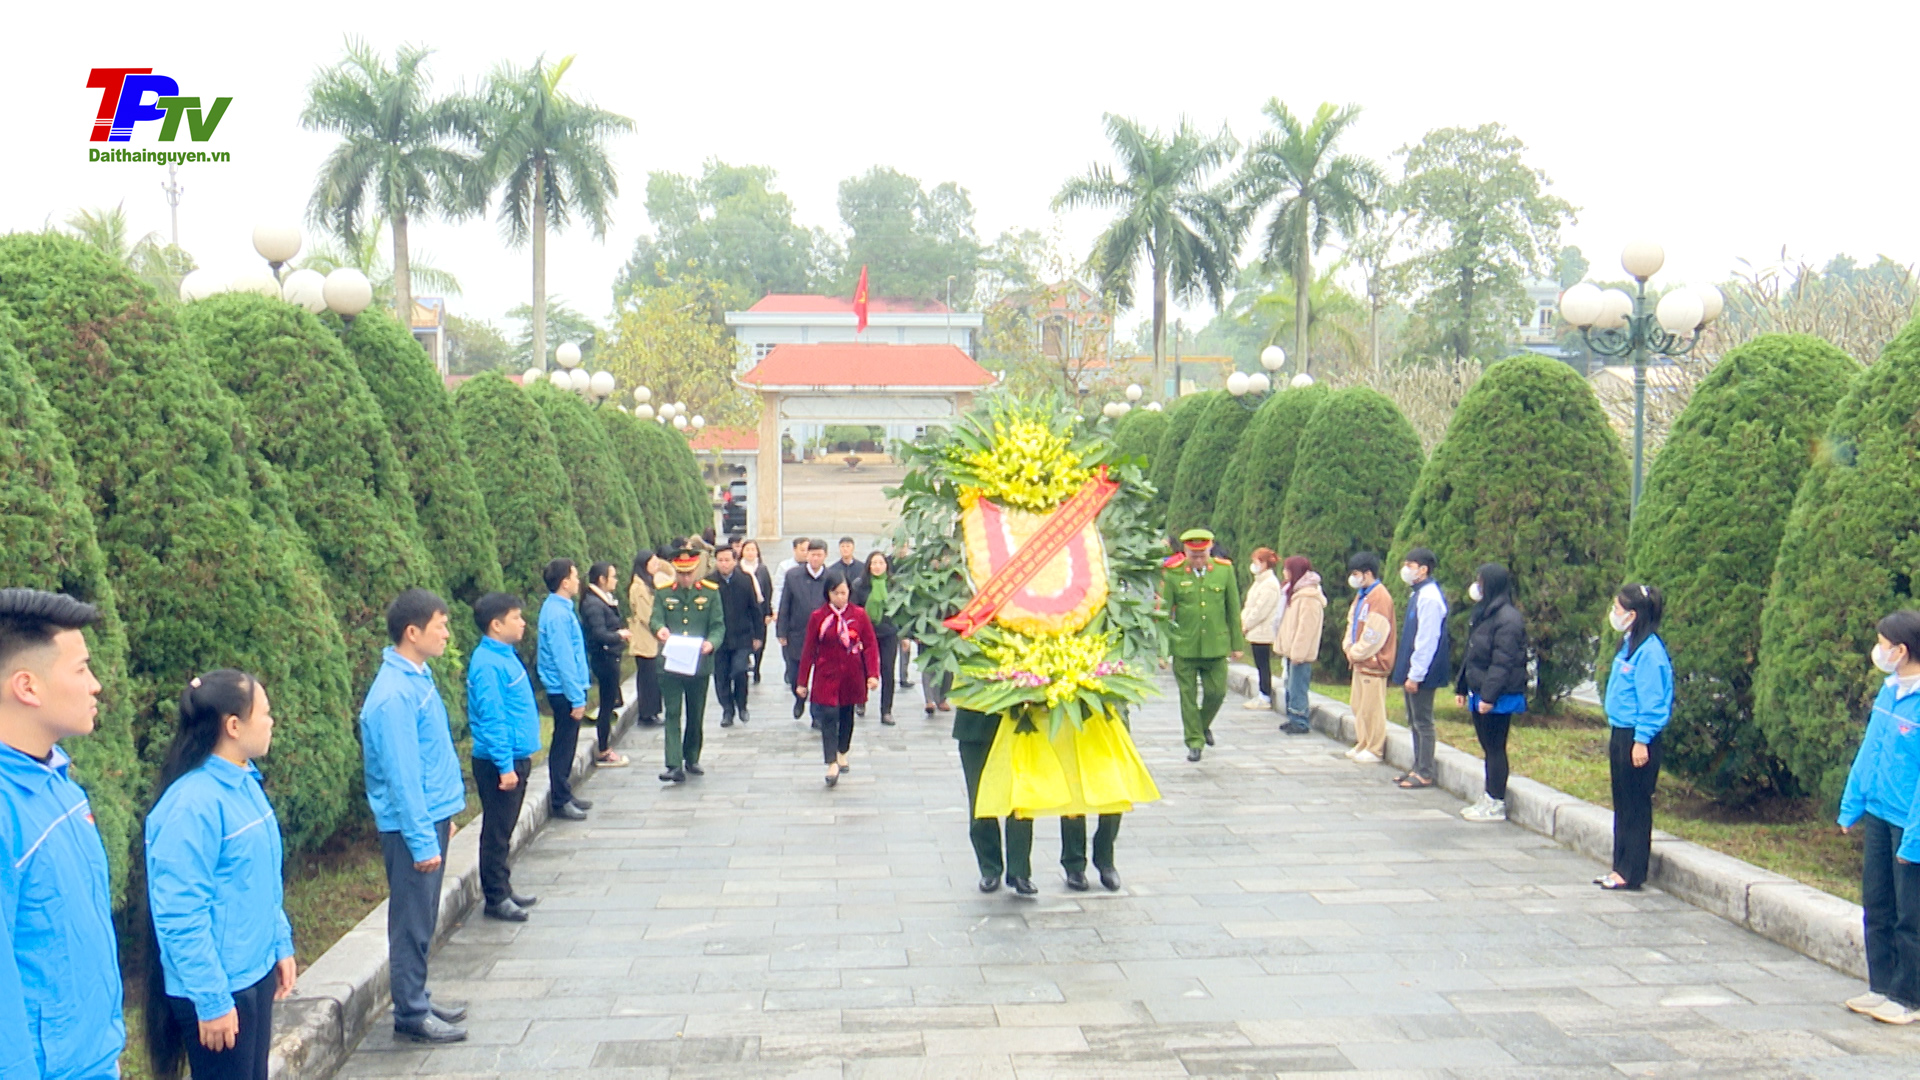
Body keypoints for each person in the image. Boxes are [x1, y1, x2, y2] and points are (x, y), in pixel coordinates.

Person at [143, 670, 297, 1080]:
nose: (271, 721)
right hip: (219, 987)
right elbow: (179, 913)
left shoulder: (245, 783)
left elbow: (263, 879)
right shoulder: (191, 805)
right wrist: (211, 1001)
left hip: (253, 972)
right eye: (264, 712)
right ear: (233, 726)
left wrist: (279, 943)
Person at [0, 589, 125, 1080]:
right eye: (81, 670)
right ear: (27, 686)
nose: (96, 686)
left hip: (94, 1057)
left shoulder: (59, 784)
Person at [359, 589, 468, 1043]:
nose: (446, 634)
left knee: (421, 917)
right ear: (412, 632)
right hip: (410, 829)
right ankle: (410, 1011)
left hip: (428, 818)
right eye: (440, 626)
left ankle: (416, 995)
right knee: (410, 921)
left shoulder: (415, 678)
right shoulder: (394, 695)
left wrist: (443, 815)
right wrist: (423, 839)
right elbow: (403, 777)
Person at [1839, 609, 1920, 1025]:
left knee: (1911, 915)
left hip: (1909, 822)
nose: (1878, 651)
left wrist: (1914, 839)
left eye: (1883, 644)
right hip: (1878, 812)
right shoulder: (1889, 691)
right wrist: (1851, 805)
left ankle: (1908, 997)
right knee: (1877, 904)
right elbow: (1869, 751)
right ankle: (1882, 986)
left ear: (1901, 650)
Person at [465, 593, 543, 923]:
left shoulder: (504, 655)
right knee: (496, 833)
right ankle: (495, 897)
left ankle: (503, 887)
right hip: (499, 762)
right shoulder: (487, 664)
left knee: (504, 830)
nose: (522, 623)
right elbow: (492, 717)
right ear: (496, 625)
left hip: (513, 756)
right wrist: (505, 766)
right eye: (516, 618)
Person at [1599, 583, 1673, 891]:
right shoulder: (1630, 644)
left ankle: (1632, 871)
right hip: (1621, 731)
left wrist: (1642, 740)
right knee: (1622, 802)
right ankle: (1619, 866)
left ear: (1633, 614)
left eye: (1618, 609)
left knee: (1636, 805)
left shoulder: (1651, 653)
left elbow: (1653, 702)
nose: (1613, 614)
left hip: (1637, 736)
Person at [1453, 564, 1529, 823]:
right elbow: (1472, 652)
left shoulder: (1508, 619)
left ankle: (1496, 800)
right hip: (1480, 689)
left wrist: (1489, 696)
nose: (1477, 586)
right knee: (1488, 746)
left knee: (1496, 747)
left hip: (1498, 695)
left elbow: (1503, 662)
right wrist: (1462, 685)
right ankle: (1489, 795)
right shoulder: (1484, 613)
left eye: (1481, 581)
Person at [1162, 528, 1244, 762]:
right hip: (1185, 646)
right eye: (1193, 555)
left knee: (1217, 692)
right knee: (1187, 696)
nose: (1198, 560)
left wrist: (1237, 644)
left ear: (1210, 550)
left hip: (1215, 645)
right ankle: (1194, 742)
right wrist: (1162, 650)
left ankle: (1201, 725)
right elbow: (1164, 613)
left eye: (1202, 554)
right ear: (1185, 552)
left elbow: (1233, 609)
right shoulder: (1173, 574)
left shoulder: (1224, 571)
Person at [796, 575, 880, 786]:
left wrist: (873, 674)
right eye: (836, 593)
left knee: (846, 714)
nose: (840, 598)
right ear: (828, 594)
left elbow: (870, 645)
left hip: (852, 674)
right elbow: (808, 649)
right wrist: (802, 681)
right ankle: (831, 761)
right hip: (826, 673)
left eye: (844, 593)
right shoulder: (819, 617)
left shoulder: (859, 615)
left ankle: (843, 750)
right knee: (828, 715)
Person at [652, 545, 724, 783]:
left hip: (698, 664)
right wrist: (659, 629)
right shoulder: (663, 593)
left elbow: (718, 625)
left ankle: (691, 757)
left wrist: (711, 643)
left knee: (695, 713)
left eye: (689, 573)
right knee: (672, 712)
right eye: (681, 573)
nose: (685, 578)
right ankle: (673, 764)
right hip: (671, 664)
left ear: (696, 571)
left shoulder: (710, 593)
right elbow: (655, 619)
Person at [951, 706, 1037, 894]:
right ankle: (990, 868)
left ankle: (1019, 870)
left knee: (1019, 799)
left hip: (1016, 724)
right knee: (980, 799)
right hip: (975, 725)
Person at [1388, 547, 1449, 789]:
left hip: (1424, 670)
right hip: (1413, 666)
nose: (1405, 570)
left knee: (1423, 721)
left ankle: (1425, 771)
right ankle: (1417, 766)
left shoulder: (1430, 598)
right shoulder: (1418, 594)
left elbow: (1427, 639)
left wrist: (1416, 674)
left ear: (1423, 569)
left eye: (1410, 566)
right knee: (1413, 719)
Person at [537, 559, 593, 820]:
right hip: (563, 690)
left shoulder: (560, 608)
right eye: (575, 576)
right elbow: (564, 658)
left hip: (567, 688)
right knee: (563, 745)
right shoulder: (558, 614)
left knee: (568, 744)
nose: (578, 581)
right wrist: (576, 697)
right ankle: (560, 798)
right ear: (564, 582)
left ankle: (565, 792)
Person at [1341, 553, 1395, 765]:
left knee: (1372, 708)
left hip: (1373, 661)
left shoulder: (1379, 597)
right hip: (1359, 661)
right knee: (1358, 706)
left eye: (1356, 574)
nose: (1353, 578)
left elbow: (1375, 633)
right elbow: (1352, 622)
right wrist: (1348, 646)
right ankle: (1363, 742)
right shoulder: (1362, 596)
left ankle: (1374, 747)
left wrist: (1357, 652)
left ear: (1368, 573)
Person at [579, 562, 631, 768]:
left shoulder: (602, 600)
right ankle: (603, 749)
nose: (616, 580)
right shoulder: (593, 604)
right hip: (604, 658)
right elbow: (599, 634)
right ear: (602, 579)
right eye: (613, 576)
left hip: (611, 656)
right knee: (607, 704)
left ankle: (605, 746)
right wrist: (619, 635)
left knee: (611, 702)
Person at [708, 545, 763, 727]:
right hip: (718, 639)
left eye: (727, 560)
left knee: (740, 670)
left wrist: (758, 635)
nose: (724, 564)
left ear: (735, 561)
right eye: (720, 560)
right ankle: (727, 710)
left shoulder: (744, 580)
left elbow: (754, 609)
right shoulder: (709, 582)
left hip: (742, 636)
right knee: (721, 676)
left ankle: (742, 705)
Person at [778, 539, 831, 719]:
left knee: (820, 676)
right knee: (795, 673)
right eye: (812, 554)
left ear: (825, 556)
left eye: (819, 555)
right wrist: (781, 631)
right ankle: (799, 698)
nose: (815, 558)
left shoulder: (831, 577)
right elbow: (785, 603)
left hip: (823, 636)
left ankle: (817, 714)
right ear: (807, 555)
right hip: (797, 633)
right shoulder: (793, 576)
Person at [1274, 555, 1325, 736]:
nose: (1284, 573)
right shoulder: (1295, 592)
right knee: (1290, 685)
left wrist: (1298, 653)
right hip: (1291, 650)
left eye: (1287, 569)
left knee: (1298, 686)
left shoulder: (1308, 597)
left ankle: (1300, 720)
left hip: (1300, 652)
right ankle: (1293, 717)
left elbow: (1306, 629)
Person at [851, 551, 900, 725]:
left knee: (888, 670)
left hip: (888, 632)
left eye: (881, 563)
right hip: (866, 633)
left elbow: (901, 610)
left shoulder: (894, 585)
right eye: (874, 563)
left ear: (886, 565)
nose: (878, 566)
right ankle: (860, 701)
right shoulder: (860, 585)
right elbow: (854, 610)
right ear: (869, 566)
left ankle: (886, 710)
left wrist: (905, 635)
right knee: (863, 668)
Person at [625, 552, 664, 726]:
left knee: (653, 677)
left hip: (651, 638)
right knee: (648, 678)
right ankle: (647, 714)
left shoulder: (647, 583)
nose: (657, 567)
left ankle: (652, 712)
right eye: (653, 563)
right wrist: (659, 628)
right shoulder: (638, 587)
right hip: (644, 638)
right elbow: (645, 614)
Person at [1240, 548, 1281, 710]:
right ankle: (1262, 694)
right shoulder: (1260, 581)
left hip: (1263, 631)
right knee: (1259, 664)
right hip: (1256, 630)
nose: (1253, 564)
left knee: (1263, 665)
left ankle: (1265, 696)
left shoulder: (1270, 584)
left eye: (1256, 561)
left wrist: (1247, 625)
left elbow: (1260, 610)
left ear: (1264, 563)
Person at [740, 540, 775, 684]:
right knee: (745, 640)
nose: (750, 552)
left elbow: (768, 590)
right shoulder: (738, 569)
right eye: (747, 549)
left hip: (759, 611)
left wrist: (768, 612)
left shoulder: (762, 569)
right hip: (743, 611)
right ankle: (745, 664)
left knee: (760, 640)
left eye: (753, 550)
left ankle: (757, 668)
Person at [770, 537, 806, 631]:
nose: (805, 553)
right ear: (794, 549)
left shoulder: (812, 567)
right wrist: (776, 609)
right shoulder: (784, 566)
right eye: (802, 550)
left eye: (807, 550)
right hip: (790, 607)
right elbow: (778, 588)